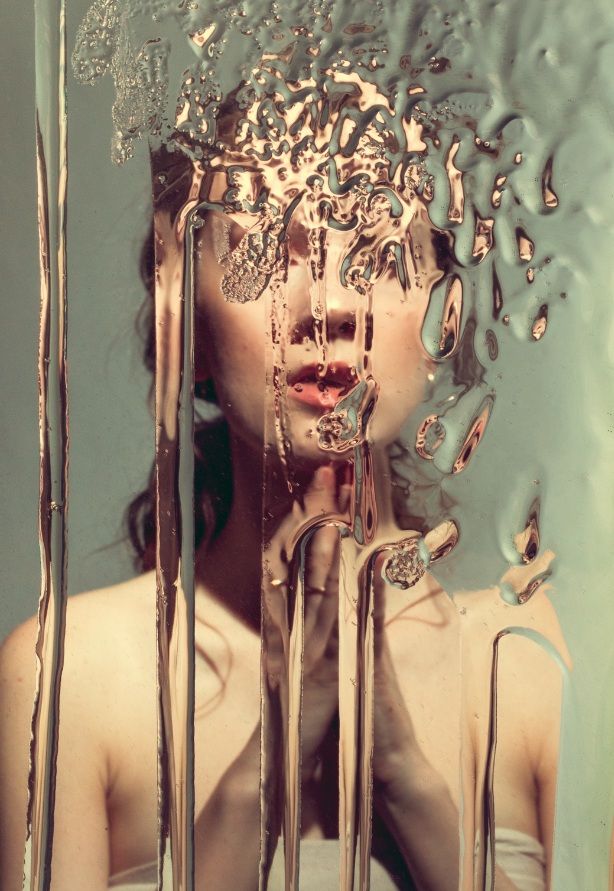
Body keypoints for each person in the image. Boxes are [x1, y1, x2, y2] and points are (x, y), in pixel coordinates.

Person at [0, 68, 567, 891]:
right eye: (266, 250)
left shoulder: (529, 661)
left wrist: (405, 778)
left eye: (375, 250)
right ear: (184, 315)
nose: (329, 303)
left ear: (446, 313)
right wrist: (259, 773)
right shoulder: (71, 674)